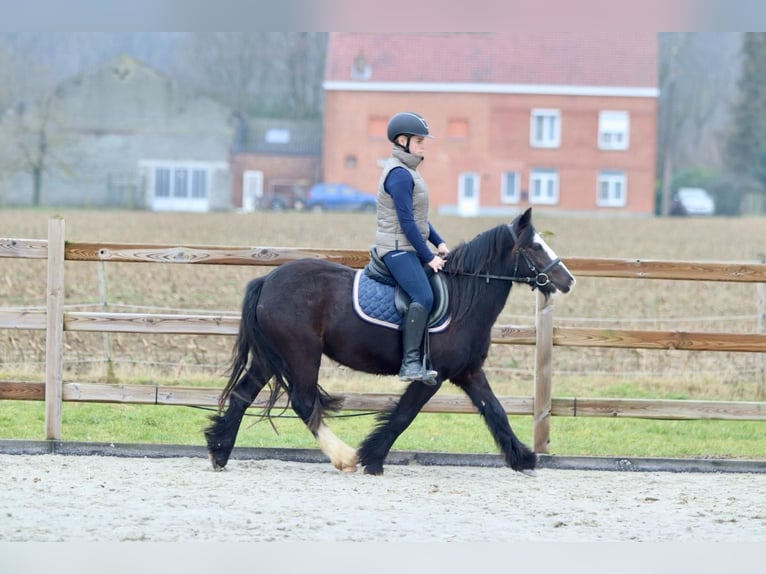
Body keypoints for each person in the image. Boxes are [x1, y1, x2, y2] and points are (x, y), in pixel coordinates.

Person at [374, 112, 449, 385]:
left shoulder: (409, 172)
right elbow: (406, 223)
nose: (423, 145)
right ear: (402, 141)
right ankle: (410, 364)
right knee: (424, 297)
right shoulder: (399, 175)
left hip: (407, 244)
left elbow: (419, 218)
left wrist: (438, 241)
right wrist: (429, 257)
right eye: (419, 141)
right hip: (396, 248)